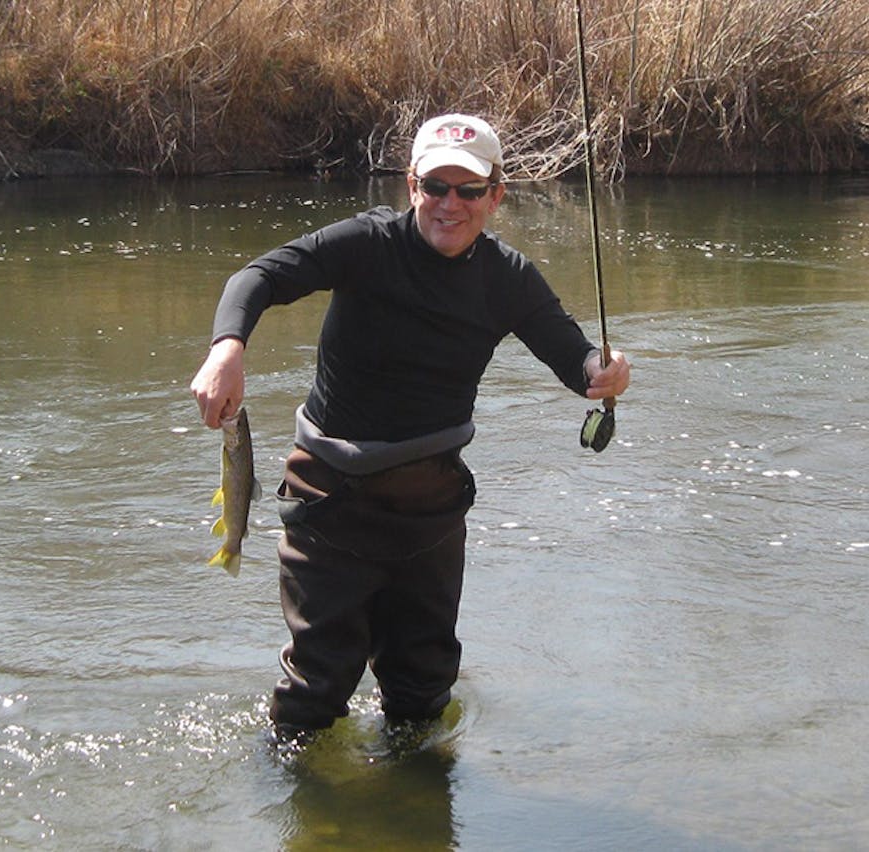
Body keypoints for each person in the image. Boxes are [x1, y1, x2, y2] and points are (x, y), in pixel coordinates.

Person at [188, 113, 632, 737]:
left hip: (433, 509)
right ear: (410, 186)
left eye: (469, 190)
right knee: (316, 692)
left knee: (423, 695)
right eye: (436, 186)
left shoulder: (508, 278)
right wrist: (226, 347)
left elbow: (574, 358)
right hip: (329, 501)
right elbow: (256, 277)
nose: (451, 204)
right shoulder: (366, 245)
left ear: (496, 196)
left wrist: (603, 370)